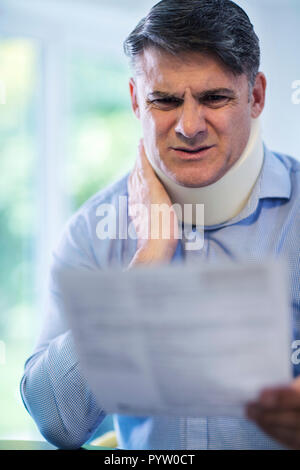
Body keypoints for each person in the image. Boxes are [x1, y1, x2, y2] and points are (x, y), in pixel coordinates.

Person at [20, 0, 300, 450]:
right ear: (135, 100)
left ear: (257, 96)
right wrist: (148, 261)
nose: (189, 126)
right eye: (165, 101)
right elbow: (56, 423)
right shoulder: (92, 232)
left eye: (215, 98)